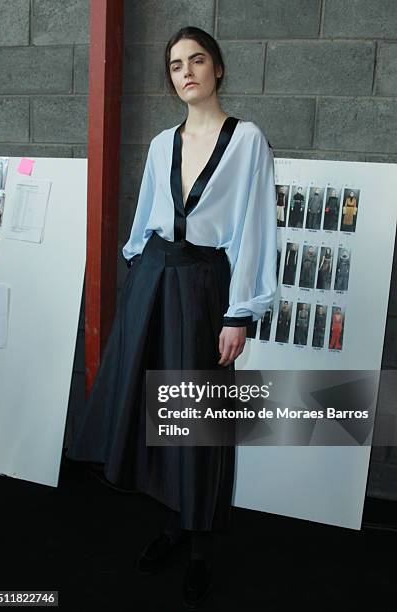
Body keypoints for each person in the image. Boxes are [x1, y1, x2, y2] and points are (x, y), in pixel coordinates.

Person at [65, 26, 277, 607]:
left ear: (218, 69)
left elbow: (256, 228)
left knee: (198, 416)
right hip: (154, 278)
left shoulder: (248, 140)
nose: (186, 72)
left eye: (197, 60)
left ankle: (200, 542)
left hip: (205, 284)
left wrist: (241, 312)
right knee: (154, 407)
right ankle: (173, 521)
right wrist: (138, 274)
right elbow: (145, 218)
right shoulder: (163, 143)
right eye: (176, 65)